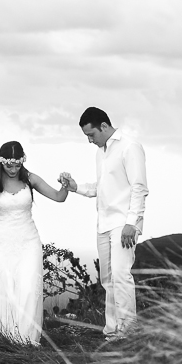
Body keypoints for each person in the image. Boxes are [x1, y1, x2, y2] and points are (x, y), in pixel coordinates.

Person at [0, 141, 69, 345]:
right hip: (1, 243)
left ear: (22, 162)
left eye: (17, 165)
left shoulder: (30, 179)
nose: (12, 169)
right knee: (2, 290)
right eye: (9, 165)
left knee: (27, 288)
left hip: (29, 243)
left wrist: (66, 184)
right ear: (1, 161)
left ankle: (25, 340)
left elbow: (58, 197)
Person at [59, 107, 148, 341]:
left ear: (104, 127)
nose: (90, 140)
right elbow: (101, 189)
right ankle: (112, 331)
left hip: (123, 223)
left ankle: (128, 333)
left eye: (92, 135)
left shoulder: (130, 146)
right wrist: (75, 186)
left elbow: (139, 187)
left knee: (121, 276)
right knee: (108, 280)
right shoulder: (101, 152)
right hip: (103, 224)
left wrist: (131, 223)